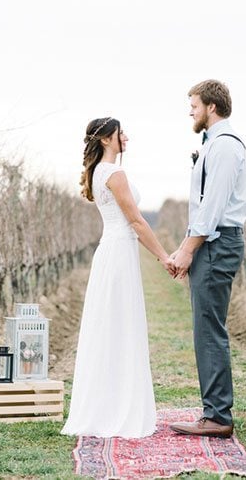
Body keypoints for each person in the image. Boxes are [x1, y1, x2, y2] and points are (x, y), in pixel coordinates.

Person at [61, 117, 175, 438]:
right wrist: (164, 256)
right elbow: (137, 222)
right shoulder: (114, 173)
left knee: (110, 327)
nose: (126, 136)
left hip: (110, 252)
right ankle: (118, 409)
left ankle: (106, 405)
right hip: (119, 253)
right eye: (120, 132)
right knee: (121, 325)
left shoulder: (98, 173)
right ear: (107, 140)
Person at [169, 80, 246, 438]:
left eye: (194, 105)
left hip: (218, 245)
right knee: (205, 328)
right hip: (211, 243)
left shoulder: (226, 148)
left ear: (211, 107)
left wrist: (188, 250)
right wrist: (186, 245)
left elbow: (212, 208)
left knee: (209, 329)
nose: (190, 111)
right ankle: (214, 411)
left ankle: (218, 415)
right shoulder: (214, 146)